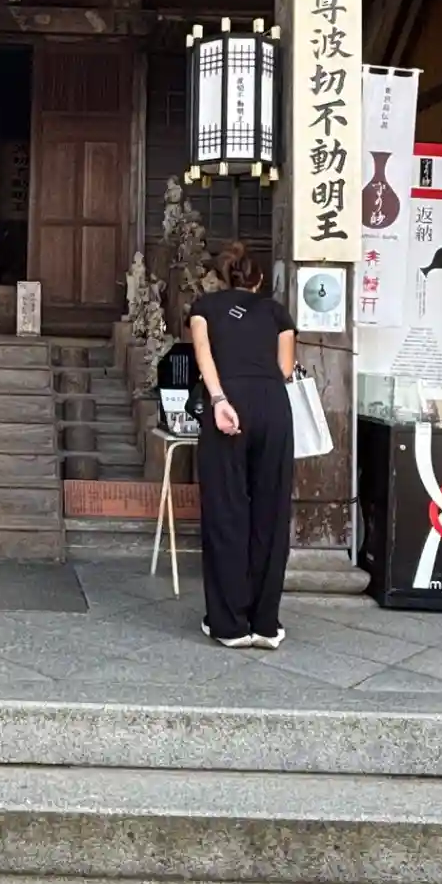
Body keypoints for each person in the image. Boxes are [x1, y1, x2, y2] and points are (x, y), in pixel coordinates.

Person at [189, 242, 296, 650]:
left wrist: (218, 400)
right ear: (259, 279)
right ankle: (265, 624)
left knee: (226, 511)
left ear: (223, 277)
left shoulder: (204, 308)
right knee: (271, 511)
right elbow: (284, 369)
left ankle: (230, 625)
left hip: (228, 403)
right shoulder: (276, 312)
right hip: (273, 406)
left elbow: (204, 356)